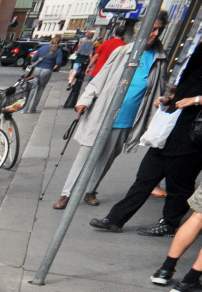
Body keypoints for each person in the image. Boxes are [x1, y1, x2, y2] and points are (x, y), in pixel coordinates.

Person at [91, 31, 202, 237]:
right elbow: (188, 86)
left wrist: (195, 100)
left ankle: (169, 223)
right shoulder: (197, 52)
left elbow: (194, 93)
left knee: (179, 183)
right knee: (145, 177)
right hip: (172, 126)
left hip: (193, 133)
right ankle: (115, 219)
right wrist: (171, 98)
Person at [55, 15, 165, 210]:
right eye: (152, 28)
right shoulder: (123, 52)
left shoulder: (159, 58)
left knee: (106, 160)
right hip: (103, 114)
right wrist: (85, 100)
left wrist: (158, 108)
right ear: (142, 28)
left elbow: (158, 88)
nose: (155, 33)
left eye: (159, 30)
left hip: (127, 119)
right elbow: (100, 78)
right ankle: (67, 193)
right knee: (85, 156)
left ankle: (90, 190)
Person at [25, 35, 65, 113]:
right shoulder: (58, 50)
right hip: (47, 70)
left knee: (32, 89)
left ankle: (25, 108)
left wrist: (35, 65)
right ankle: (33, 109)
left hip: (37, 69)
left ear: (51, 40)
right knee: (40, 89)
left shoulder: (43, 48)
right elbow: (59, 62)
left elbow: (33, 58)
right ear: (59, 42)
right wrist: (52, 68)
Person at [65, 31, 96, 109]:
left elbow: (77, 52)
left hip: (78, 59)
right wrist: (90, 63)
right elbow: (91, 54)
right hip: (85, 60)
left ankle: (69, 83)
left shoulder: (83, 43)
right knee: (81, 74)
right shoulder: (92, 44)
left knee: (74, 71)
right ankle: (75, 84)